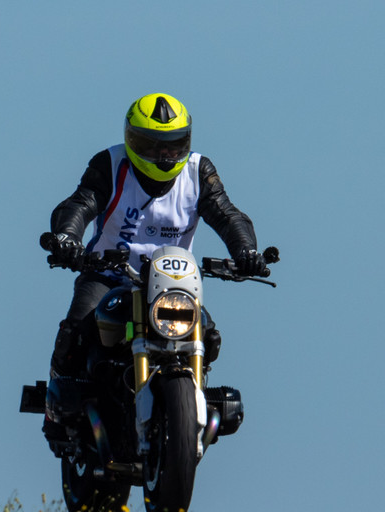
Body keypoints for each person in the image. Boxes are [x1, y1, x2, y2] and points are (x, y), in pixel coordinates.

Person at [44, 93, 264, 383]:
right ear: (131, 140)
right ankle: (57, 407)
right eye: (152, 146)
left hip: (172, 283)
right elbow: (80, 204)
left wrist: (246, 251)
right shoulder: (109, 164)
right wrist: (67, 237)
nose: (164, 156)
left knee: (208, 335)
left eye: (173, 146)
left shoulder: (198, 172)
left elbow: (227, 216)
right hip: (106, 274)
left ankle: (199, 399)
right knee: (76, 331)